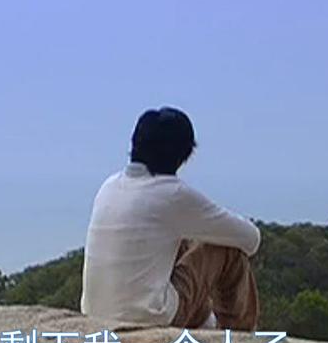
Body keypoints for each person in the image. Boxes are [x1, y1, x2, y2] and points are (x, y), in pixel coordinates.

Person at [80, 107, 261, 331]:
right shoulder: (173, 194)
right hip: (147, 319)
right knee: (224, 249)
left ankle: (204, 325)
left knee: (177, 241)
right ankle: (238, 336)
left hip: (96, 315)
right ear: (183, 155)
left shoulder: (108, 186)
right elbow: (251, 239)